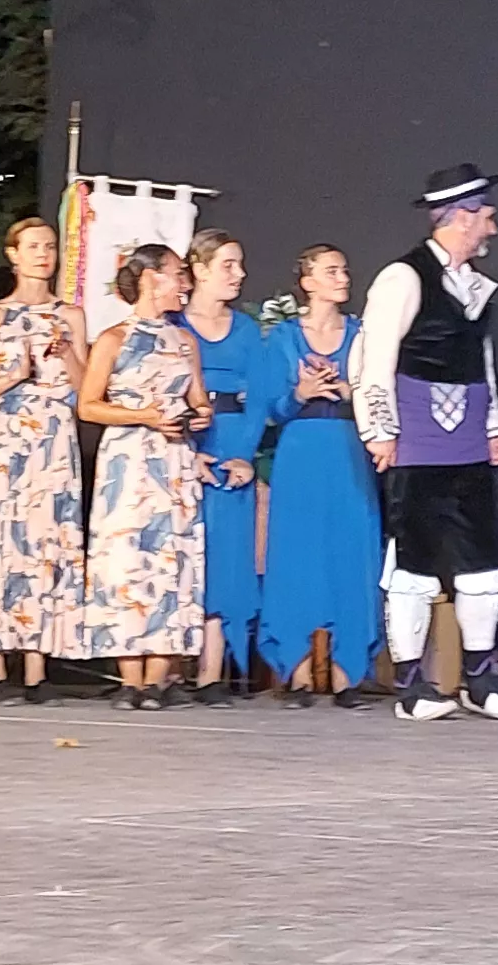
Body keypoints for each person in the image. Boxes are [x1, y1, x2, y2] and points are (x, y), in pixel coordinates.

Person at [356, 165, 498, 723]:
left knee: (480, 562)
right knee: (415, 561)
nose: (493, 229)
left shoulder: (475, 287)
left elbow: (482, 364)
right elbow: (373, 361)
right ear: (463, 217)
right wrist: (379, 429)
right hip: (417, 438)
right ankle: (411, 687)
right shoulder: (402, 278)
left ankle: (480, 680)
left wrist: (495, 423)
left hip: (467, 441)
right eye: (487, 217)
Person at [75, 244, 211, 706]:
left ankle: (156, 678)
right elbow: (88, 405)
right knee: (126, 561)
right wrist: (143, 416)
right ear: (151, 278)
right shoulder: (114, 339)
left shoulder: (185, 340)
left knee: (169, 562)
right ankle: (128, 678)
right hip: (128, 462)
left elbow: (199, 400)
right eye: (178, 274)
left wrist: (200, 416)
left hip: (173, 463)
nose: (186, 283)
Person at [0, 214, 84, 700]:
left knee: (47, 544)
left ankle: (37, 665)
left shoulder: (70, 314)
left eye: (49, 246)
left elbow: (85, 384)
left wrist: (69, 352)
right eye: (33, 246)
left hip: (54, 438)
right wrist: (14, 374)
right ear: (13, 254)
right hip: (8, 439)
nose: (43, 254)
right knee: (0, 544)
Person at [256, 245, 384, 704]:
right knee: (298, 556)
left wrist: (351, 391)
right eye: (331, 271)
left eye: (345, 269)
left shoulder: (362, 335)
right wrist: (301, 393)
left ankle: (349, 672)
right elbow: (270, 407)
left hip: (348, 449)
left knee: (352, 553)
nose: (342, 277)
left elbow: (378, 393)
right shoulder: (284, 338)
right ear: (307, 282)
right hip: (301, 452)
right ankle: (299, 670)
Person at [179, 232, 273, 700]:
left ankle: (213, 669)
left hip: (233, 440)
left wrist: (246, 454)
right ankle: (173, 664)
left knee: (229, 555)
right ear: (199, 268)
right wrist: (186, 450)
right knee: (187, 551)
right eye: (228, 265)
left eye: (239, 265)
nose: (238, 274)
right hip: (188, 443)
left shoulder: (247, 329)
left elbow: (259, 395)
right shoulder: (175, 325)